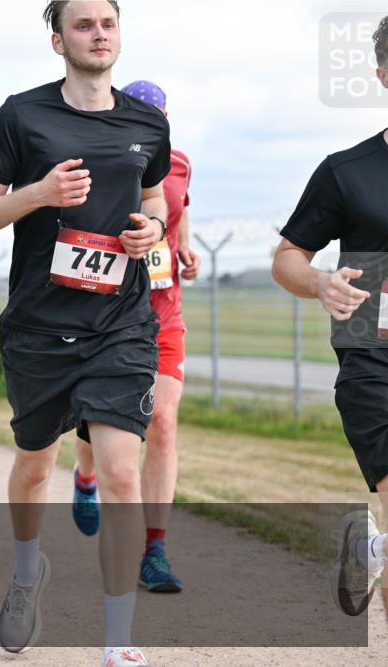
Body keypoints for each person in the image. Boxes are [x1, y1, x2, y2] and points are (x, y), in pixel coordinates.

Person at [0, 2, 171, 663]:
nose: (98, 34)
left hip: (120, 323)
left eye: (107, 23)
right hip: (38, 325)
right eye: (83, 25)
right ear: (58, 40)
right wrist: (40, 193)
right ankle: (27, 571)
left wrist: (154, 229)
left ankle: (118, 644)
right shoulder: (21, 115)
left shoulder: (148, 122)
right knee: (33, 466)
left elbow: (156, 197)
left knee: (117, 472)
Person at [272, 14, 387, 620]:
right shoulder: (348, 171)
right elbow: (287, 257)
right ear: (383, 74)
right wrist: (319, 283)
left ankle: (373, 547)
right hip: (373, 355)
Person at [73, 80, 201, 594]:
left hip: (164, 314)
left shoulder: (180, 161)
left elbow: (179, 205)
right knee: (97, 429)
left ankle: (154, 549)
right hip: (107, 318)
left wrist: (184, 250)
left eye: (160, 117)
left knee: (163, 424)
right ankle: (86, 477)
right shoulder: (97, 157)